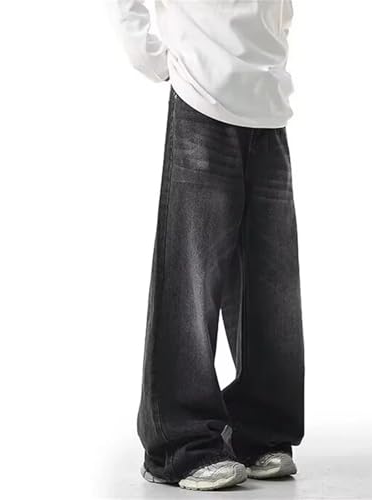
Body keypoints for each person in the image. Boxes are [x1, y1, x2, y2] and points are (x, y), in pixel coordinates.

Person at [108, 0, 305, 491]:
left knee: (272, 287)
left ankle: (260, 433)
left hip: (268, 100)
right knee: (191, 279)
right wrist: (151, 55)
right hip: (202, 92)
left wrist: (277, 46)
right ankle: (178, 445)